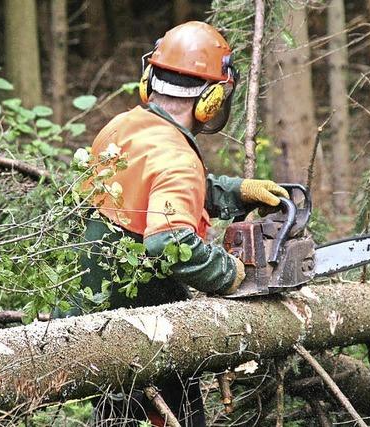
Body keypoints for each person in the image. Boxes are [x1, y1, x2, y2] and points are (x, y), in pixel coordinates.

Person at [66, 21, 289, 426]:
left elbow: (152, 192)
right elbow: (167, 242)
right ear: (213, 97)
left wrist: (236, 192)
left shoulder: (124, 126)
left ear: (149, 79)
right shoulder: (177, 158)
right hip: (143, 328)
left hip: (94, 317)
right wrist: (230, 272)